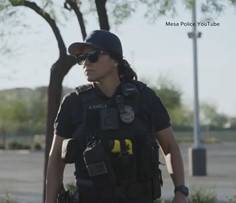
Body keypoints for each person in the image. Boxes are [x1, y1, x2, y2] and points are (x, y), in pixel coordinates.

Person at [45, 30, 188, 203]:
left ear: (114, 60)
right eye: (82, 58)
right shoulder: (73, 103)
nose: (86, 63)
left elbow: (170, 146)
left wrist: (180, 191)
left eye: (93, 56)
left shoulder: (144, 98)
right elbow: (55, 160)